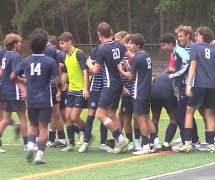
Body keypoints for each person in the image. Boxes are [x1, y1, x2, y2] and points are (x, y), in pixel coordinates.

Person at [11, 29, 61, 164]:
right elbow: (58, 80)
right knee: (44, 127)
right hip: (45, 99)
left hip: (31, 99)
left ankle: (31, 146)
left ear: (31, 46)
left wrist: (22, 83)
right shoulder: (50, 61)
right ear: (45, 46)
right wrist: (60, 90)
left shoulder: (26, 61)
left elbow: (12, 76)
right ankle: (39, 155)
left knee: (33, 125)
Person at [86, 22, 133, 153]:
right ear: (111, 33)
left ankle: (121, 139)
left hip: (109, 85)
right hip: (119, 84)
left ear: (99, 34)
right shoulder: (119, 45)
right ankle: (120, 142)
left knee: (100, 114)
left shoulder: (102, 50)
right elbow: (132, 57)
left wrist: (89, 63)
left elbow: (95, 70)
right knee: (111, 113)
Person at [179, 27, 215, 153]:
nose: (195, 37)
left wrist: (188, 85)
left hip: (199, 85)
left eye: (197, 35)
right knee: (209, 115)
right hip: (212, 86)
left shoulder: (195, 47)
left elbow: (193, 66)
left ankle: (187, 143)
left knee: (189, 112)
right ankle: (210, 144)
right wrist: (211, 75)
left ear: (202, 36)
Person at [118, 33, 160, 155]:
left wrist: (120, 70)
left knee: (140, 118)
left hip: (138, 91)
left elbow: (131, 76)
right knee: (147, 117)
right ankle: (155, 142)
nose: (129, 46)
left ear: (138, 45)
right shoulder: (146, 56)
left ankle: (146, 145)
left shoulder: (137, 57)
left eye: (131, 43)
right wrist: (129, 66)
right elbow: (140, 70)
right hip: (147, 90)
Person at [159, 33, 200, 151]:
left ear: (171, 44)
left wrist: (173, 75)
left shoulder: (180, 52)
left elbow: (188, 66)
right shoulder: (174, 53)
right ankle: (193, 141)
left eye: (164, 45)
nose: (163, 48)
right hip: (182, 86)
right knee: (186, 114)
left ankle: (188, 142)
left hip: (188, 85)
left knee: (183, 114)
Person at [0, 33, 28, 153]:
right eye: (19, 42)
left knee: (5, 119)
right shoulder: (16, 56)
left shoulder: (5, 56)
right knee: (23, 118)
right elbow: (14, 75)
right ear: (15, 44)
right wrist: (22, 88)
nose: (20, 44)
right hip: (14, 91)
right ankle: (27, 145)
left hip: (5, 91)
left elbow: (7, 72)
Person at [58, 32, 88, 152]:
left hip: (80, 90)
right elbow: (65, 74)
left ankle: (86, 133)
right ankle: (71, 144)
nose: (60, 46)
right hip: (71, 90)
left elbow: (85, 71)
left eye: (62, 43)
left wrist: (86, 88)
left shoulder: (79, 54)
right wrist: (59, 90)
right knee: (68, 117)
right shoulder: (66, 56)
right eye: (59, 43)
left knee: (74, 117)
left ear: (70, 41)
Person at [44, 35, 67, 148]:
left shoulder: (59, 55)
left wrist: (62, 85)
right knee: (55, 113)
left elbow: (63, 70)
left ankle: (76, 132)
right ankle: (54, 138)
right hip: (54, 86)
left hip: (56, 86)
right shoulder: (53, 55)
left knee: (57, 113)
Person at [151, 72, 178, 151]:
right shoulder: (175, 75)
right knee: (174, 119)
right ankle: (166, 144)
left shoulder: (159, 75)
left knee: (155, 118)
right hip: (168, 94)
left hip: (154, 94)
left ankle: (152, 143)